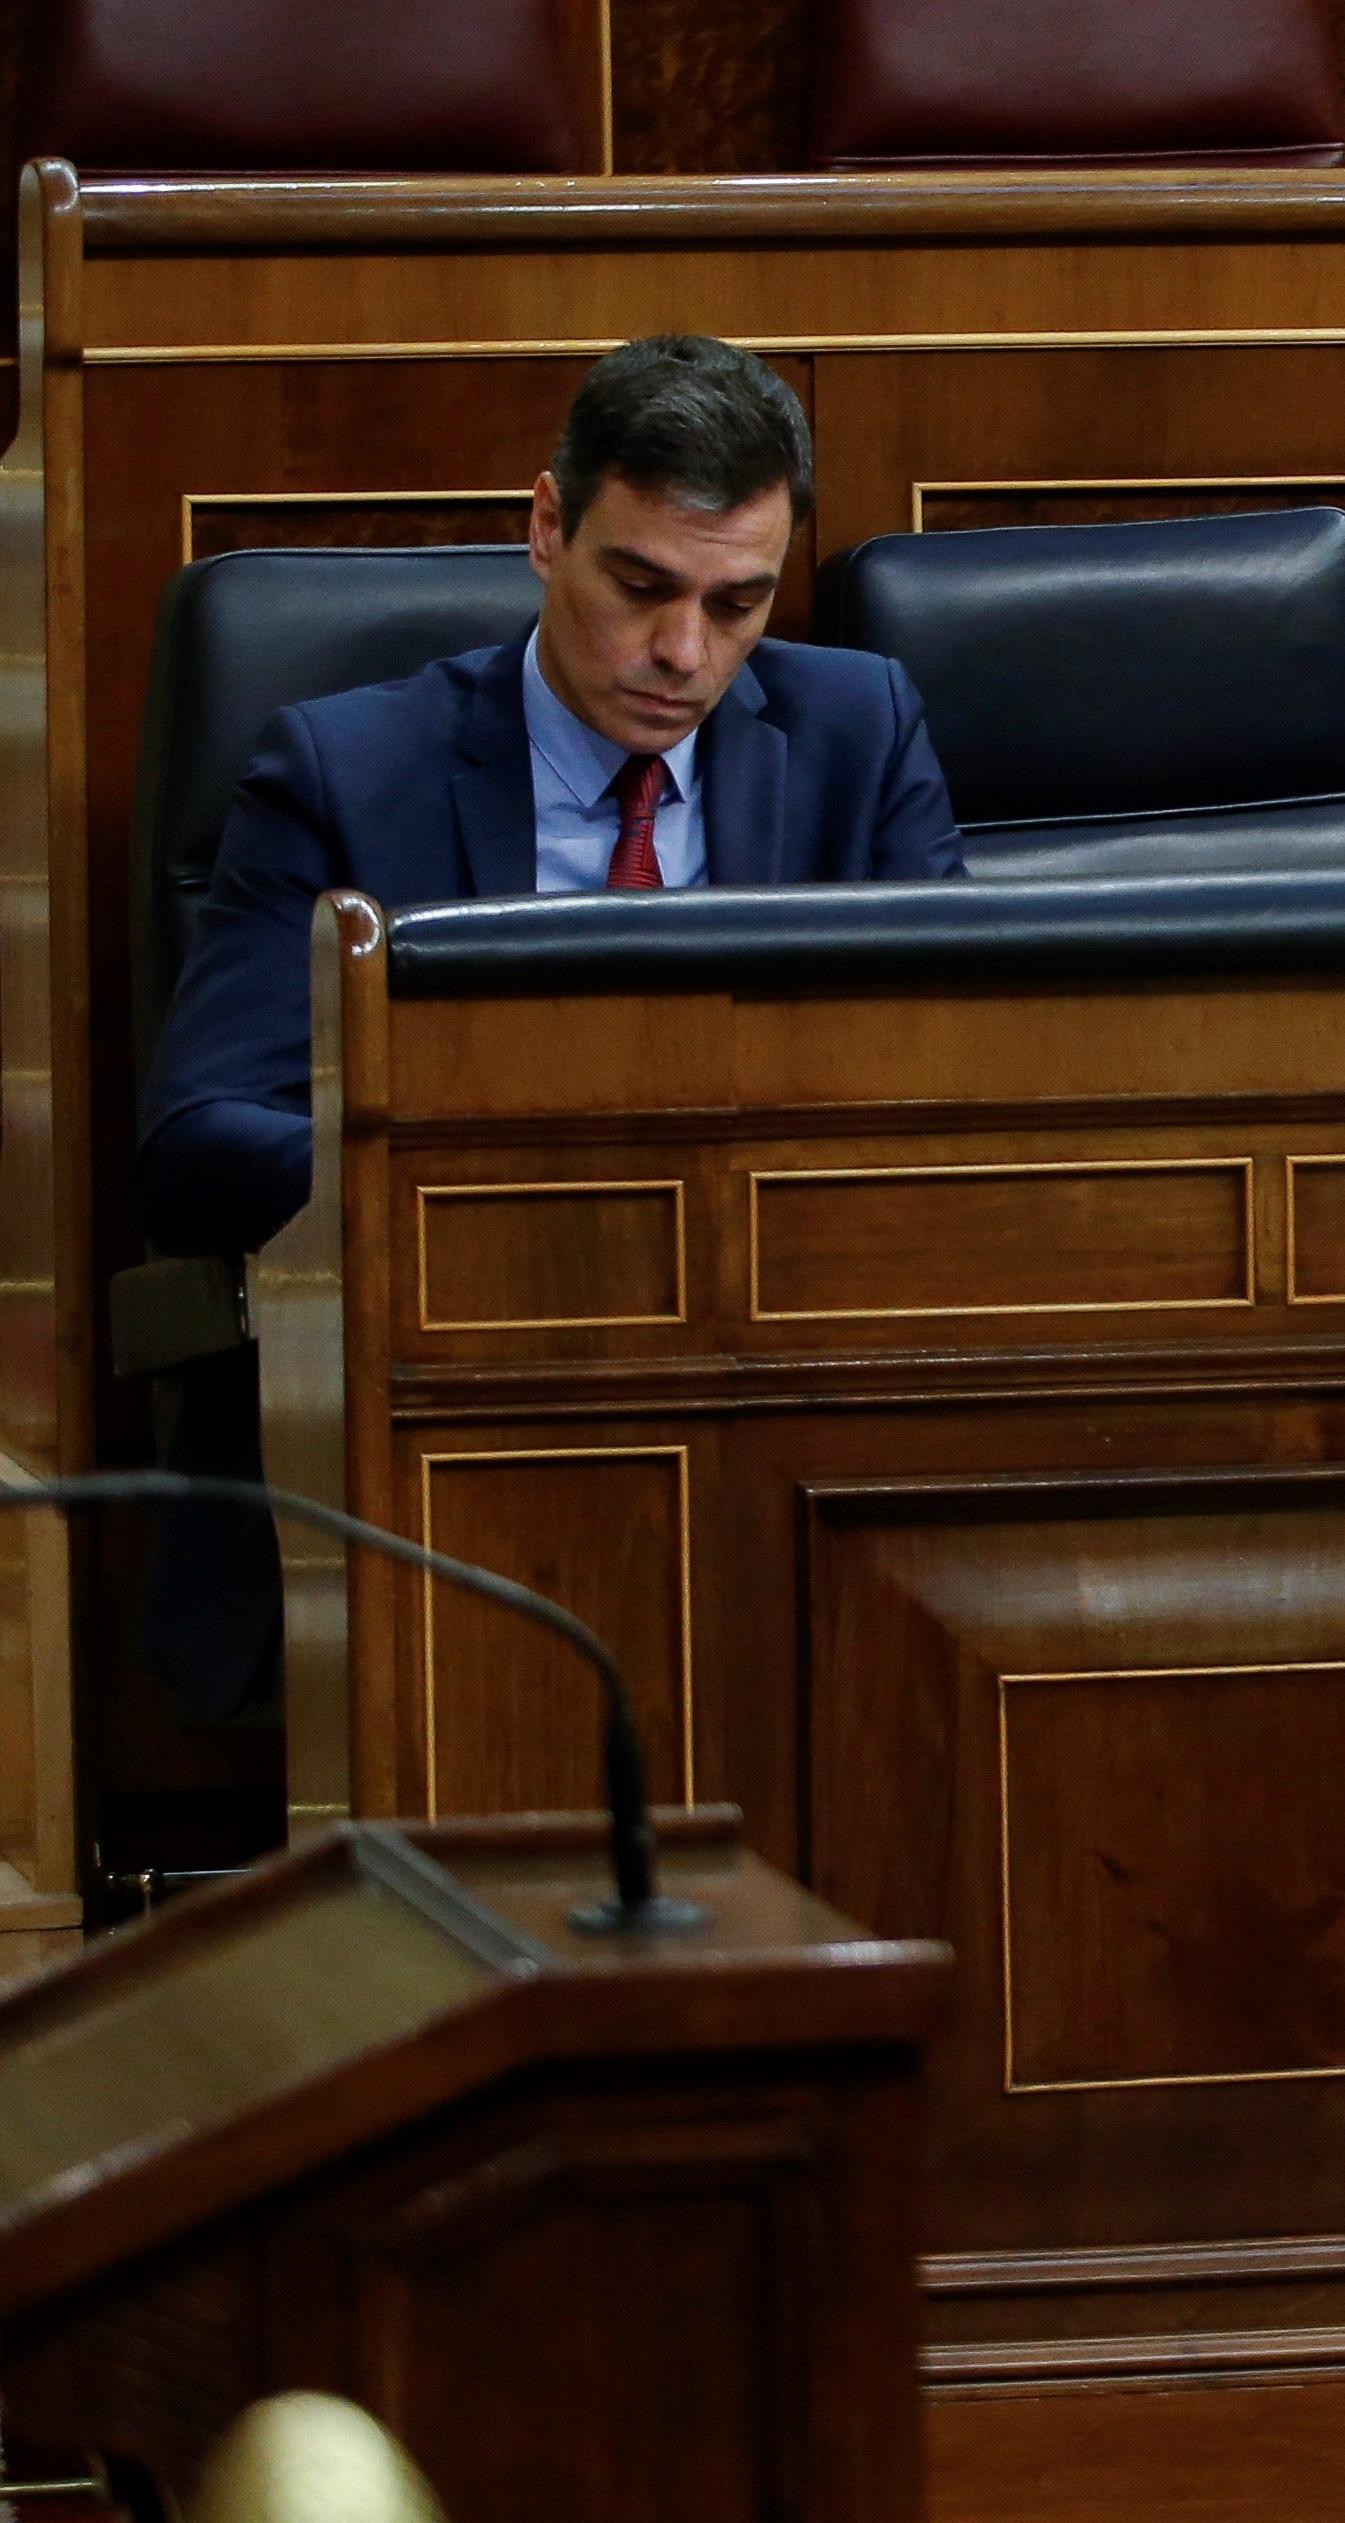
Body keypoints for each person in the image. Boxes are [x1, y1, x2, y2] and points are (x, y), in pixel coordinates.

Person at [134, 332, 966, 1717]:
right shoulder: (344, 770)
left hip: (776, 1365)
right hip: (463, 1373)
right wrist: (512, 1206)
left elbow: (947, 1075)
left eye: (738, 602)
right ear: (544, 527)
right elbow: (199, 1137)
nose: (682, 652)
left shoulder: (857, 732)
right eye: (640, 586)